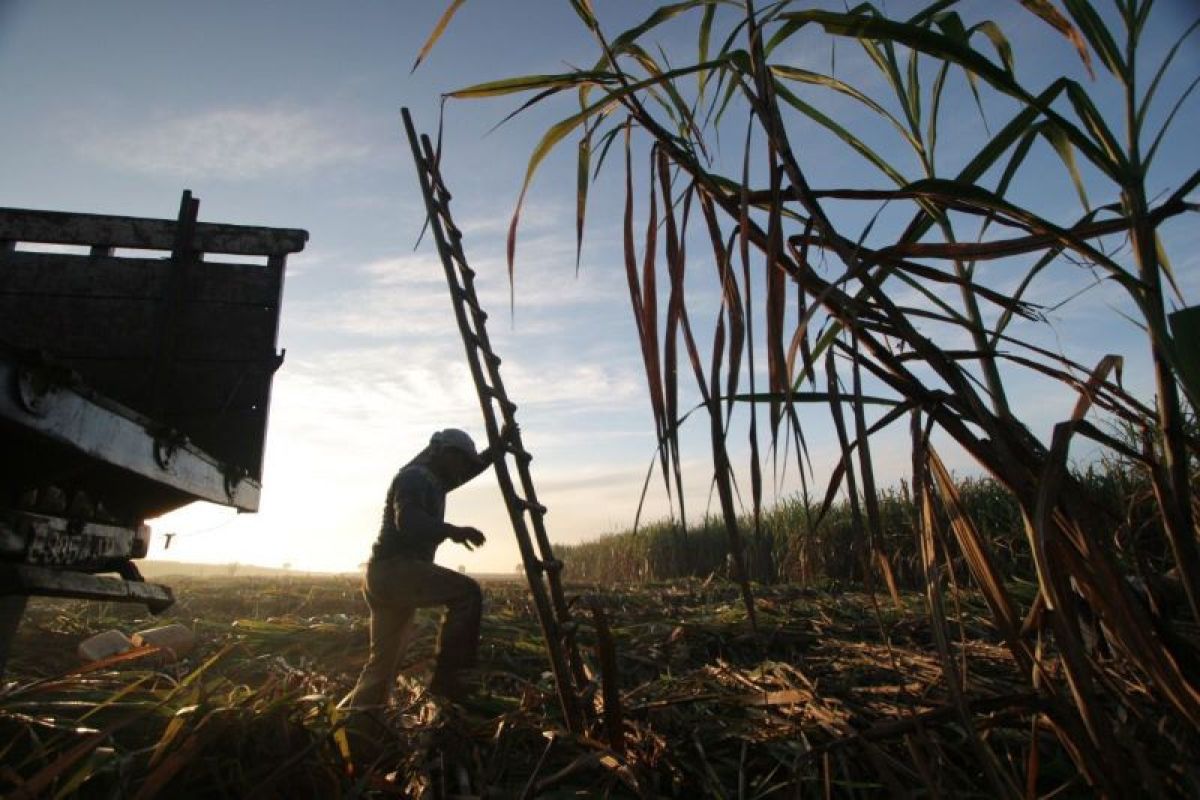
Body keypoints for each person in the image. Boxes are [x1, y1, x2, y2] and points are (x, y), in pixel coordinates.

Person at [341, 427, 500, 708]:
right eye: (460, 459)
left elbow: (469, 472)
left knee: (383, 666)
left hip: (383, 577)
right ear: (442, 453)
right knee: (467, 593)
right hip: (395, 571)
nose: (462, 468)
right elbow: (409, 521)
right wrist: (452, 530)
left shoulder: (434, 479)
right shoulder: (415, 477)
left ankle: (356, 728)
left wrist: (497, 448)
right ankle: (449, 683)